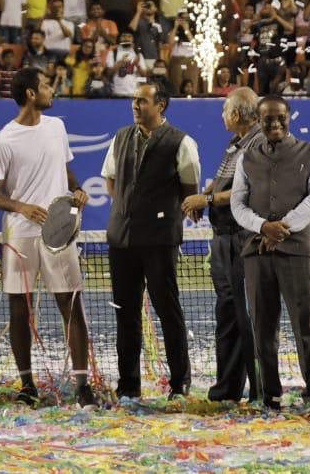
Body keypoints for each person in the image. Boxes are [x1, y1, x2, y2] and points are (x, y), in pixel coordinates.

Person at [0, 68, 96, 407]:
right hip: (21, 233)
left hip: (59, 232)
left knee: (71, 304)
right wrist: (20, 206)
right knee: (20, 308)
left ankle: (82, 386)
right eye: (47, 85)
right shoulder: (3, 140)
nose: (52, 90)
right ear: (31, 94)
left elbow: (64, 169)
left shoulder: (56, 127)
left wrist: (76, 189)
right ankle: (27, 383)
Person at [101, 83, 200, 399]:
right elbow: (111, 179)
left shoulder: (181, 142)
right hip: (122, 242)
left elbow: (189, 190)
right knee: (125, 313)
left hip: (159, 242)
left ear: (161, 105)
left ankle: (180, 382)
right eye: (133, 100)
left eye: (141, 100)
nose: (135, 105)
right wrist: (128, 211)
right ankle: (128, 385)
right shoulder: (119, 137)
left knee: (167, 311)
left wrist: (155, 215)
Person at [230, 96, 310, 410]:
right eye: (267, 119)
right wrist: (263, 227)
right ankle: (270, 394)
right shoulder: (246, 157)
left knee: (306, 327)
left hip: (297, 254)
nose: (274, 123)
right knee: (263, 328)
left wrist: (281, 228)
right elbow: (237, 204)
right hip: (256, 255)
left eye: (280, 117)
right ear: (258, 121)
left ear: (289, 117)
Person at [181, 87, 262, 403]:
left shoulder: (255, 144)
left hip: (242, 238)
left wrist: (209, 198)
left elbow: (247, 190)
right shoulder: (234, 145)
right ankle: (227, 388)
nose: (222, 116)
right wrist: (209, 193)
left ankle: (259, 389)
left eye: (226, 110)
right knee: (227, 314)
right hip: (223, 238)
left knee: (247, 316)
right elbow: (223, 183)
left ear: (239, 114)